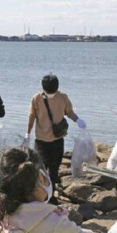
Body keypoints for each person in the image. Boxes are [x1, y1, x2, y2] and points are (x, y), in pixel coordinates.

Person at [26, 74, 86, 203]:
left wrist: (28, 133)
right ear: (57, 86)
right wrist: (77, 120)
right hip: (56, 141)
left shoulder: (37, 98)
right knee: (53, 170)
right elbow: (69, 112)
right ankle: (50, 196)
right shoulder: (62, 97)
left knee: (41, 169)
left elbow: (31, 117)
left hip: (42, 141)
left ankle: (44, 196)